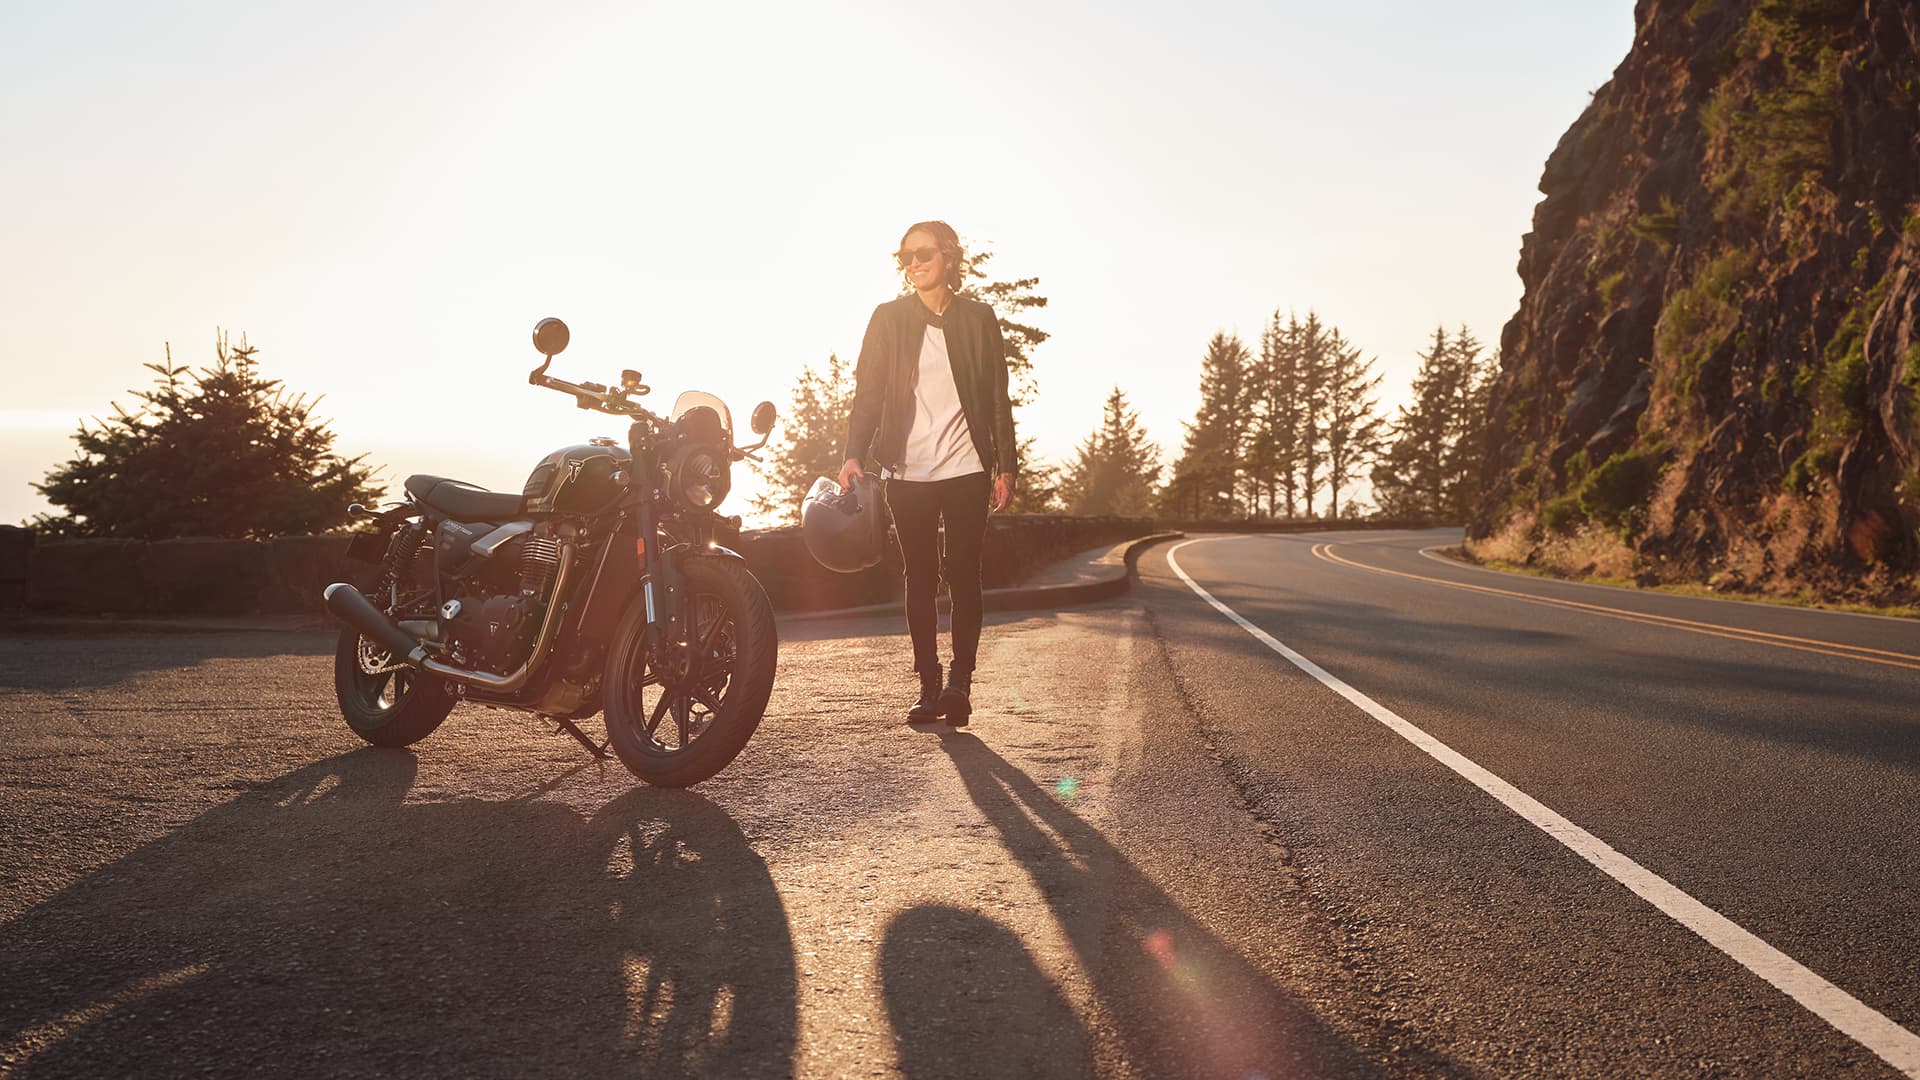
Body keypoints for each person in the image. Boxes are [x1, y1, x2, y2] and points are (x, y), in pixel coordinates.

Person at [840, 220, 1017, 727]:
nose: (914, 263)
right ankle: (928, 685)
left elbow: (996, 398)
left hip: (967, 466)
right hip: (907, 468)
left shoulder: (979, 319)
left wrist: (1007, 465)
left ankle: (960, 684)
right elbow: (868, 392)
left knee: (964, 573)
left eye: (924, 253)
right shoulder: (888, 318)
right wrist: (854, 452)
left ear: (949, 257)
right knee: (919, 577)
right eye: (905, 256)